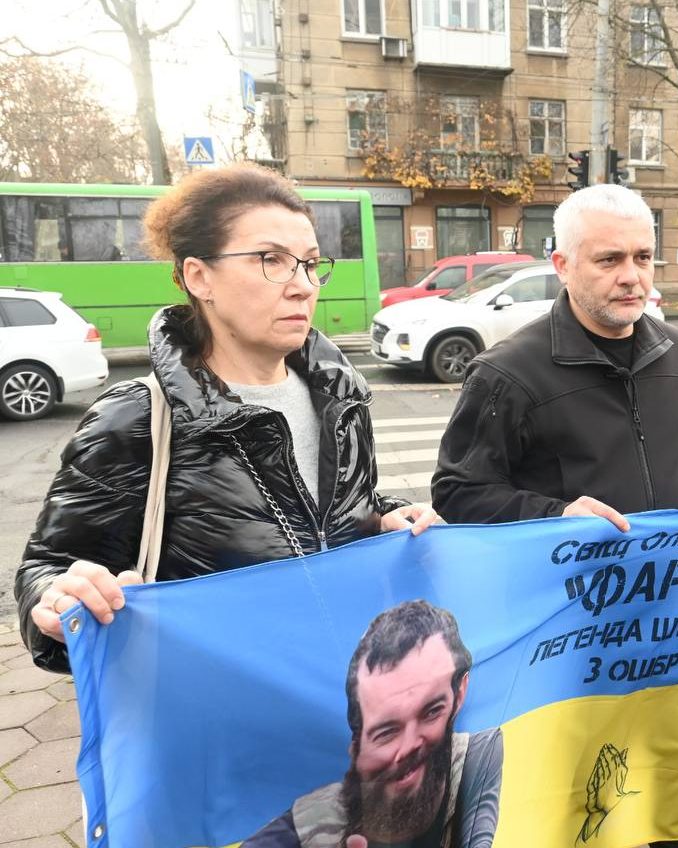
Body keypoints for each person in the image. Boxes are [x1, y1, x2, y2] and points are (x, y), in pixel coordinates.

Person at [430, 183, 678, 848]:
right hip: (571, 634)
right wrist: (556, 512)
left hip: (670, 616)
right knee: (583, 805)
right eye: (608, 260)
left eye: (643, 257)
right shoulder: (507, 374)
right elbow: (458, 491)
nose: (632, 276)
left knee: (669, 783)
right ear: (562, 264)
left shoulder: (672, 352)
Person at [14, 163, 435, 673]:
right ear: (199, 276)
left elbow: (328, 512)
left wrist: (388, 518)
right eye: (271, 260)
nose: (303, 286)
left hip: (348, 700)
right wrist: (57, 600)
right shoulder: (137, 417)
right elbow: (49, 566)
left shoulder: (343, 396)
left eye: (309, 264)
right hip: (220, 721)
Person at [244, 600, 503, 847]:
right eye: (387, 732)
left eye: (431, 712)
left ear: (459, 694)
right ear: (356, 746)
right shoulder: (306, 828)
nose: (410, 745)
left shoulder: (475, 756)